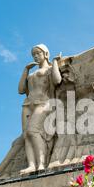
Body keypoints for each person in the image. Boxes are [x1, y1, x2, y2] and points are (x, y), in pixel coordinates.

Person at [18, 44, 62, 173]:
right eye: (34, 54)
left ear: (45, 54)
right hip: (28, 104)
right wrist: (26, 70)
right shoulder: (31, 73)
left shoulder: (48, 69)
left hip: (43, 102)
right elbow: (21, 90)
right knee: (26, 135)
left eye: (38, 53)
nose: (36, 56)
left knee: (33, 131)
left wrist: (54, 62)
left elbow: (57, 80)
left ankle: (42, 163)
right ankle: (32, 165)